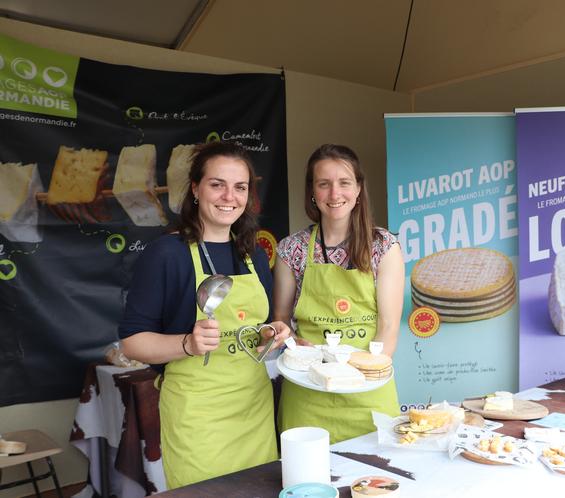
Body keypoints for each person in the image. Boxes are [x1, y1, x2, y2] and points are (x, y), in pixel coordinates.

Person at [119, 141, 290, 488]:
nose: (229, 196)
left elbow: (260, 330)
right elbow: (133, 343)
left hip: (253, 408)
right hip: (197, 416)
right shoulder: (167, 254)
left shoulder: (253, 255)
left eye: (240, 187)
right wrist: (187, 343)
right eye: (217, 184)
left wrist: (273, 333)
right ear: (196, 189)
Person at [274, 144, 405, 444]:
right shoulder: (291, 249)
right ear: (312, 192)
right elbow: (281, 322)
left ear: (359, 189)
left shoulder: (383, 246)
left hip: (367, 393)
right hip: (307, 391)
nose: (335, 194)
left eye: (344, 183)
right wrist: (293, 343)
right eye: (324, 184)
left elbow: (388, 328)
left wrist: (357, 379)